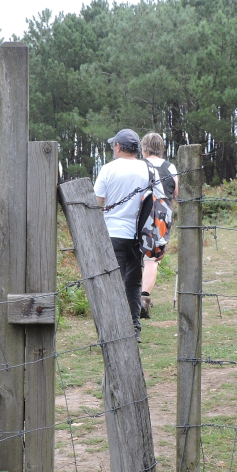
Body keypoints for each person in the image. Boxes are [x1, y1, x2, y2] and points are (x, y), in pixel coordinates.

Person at [93, 128, 165, 344]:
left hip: (112, 234)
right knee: (133, 284)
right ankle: (134, 329)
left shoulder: (108, 169)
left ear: (118, 147)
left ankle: (110, 331)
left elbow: (96, 202)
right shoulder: (149, 170)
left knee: (110, 283)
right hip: (138, 236)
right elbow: (160, 202)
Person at [139, 132, 178, 320]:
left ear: (144, 147)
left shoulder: (138, 165)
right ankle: (144, 297)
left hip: (139, 210)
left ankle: (136, 295)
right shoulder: (169, 167)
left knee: (137, 253)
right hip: (162, 213)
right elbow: (178, 192)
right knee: (152, 258)